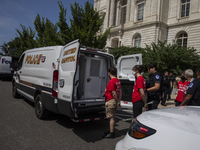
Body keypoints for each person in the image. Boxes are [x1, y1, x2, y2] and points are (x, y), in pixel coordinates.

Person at [104, 67, 122, 138]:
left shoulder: (112, 81)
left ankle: (111, 133)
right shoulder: (118, 80)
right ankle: (111, 130)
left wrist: (117, 102)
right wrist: (118, 101)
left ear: (109, 73)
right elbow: (120, 92)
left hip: (111, 100)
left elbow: (114, 93)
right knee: (113, 117)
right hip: (115, 100)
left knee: (111, 117)